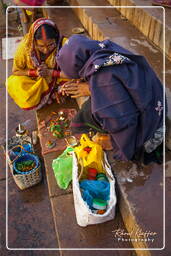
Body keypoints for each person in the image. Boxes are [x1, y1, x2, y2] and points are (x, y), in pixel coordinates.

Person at [57, 35, 165, 162]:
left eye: (76, 75)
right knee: (90, 109)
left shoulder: (103, 79)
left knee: (94, 112)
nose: (77, 79)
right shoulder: (102, 50)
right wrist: (91, 86)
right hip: (154, 98)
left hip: (149, 122)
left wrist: (113, 142)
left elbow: (122, 119)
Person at [6, 18, 69, 110]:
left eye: (51, 45)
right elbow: (16, 71)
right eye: (40, 46)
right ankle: (51, 94)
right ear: (33, 41)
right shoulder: (25, 47)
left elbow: (74, 71)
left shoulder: (64, 44)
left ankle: (56, 91)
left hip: (58, 78)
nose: (46, 50)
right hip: (34, 80)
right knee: (14, 83)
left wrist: (50, 72)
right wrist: (35, 73)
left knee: (78, 76)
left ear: (56, 38)